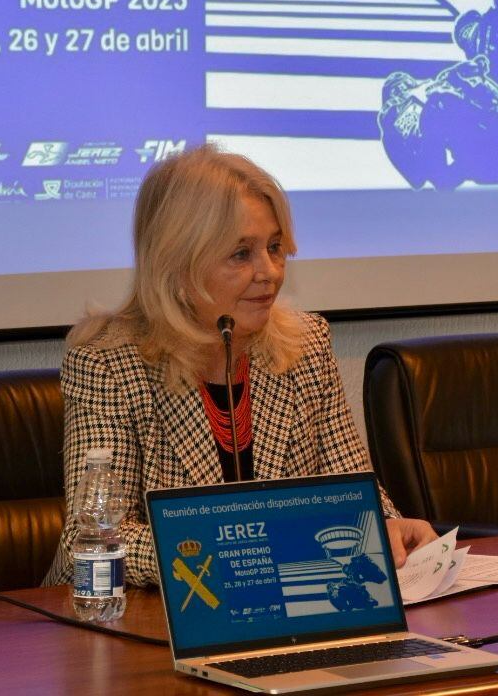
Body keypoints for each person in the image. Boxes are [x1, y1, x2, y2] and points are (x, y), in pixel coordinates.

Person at [44, 144, 436, 587]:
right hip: (134, 621)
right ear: (177, 263)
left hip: (284, 607)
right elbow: (92, 540)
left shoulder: (306, 344)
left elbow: (348, 486)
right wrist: (235, 550)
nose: (269, 271)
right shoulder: (107, 363)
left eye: (274, 247)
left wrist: (385, 524)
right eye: (240, 254)